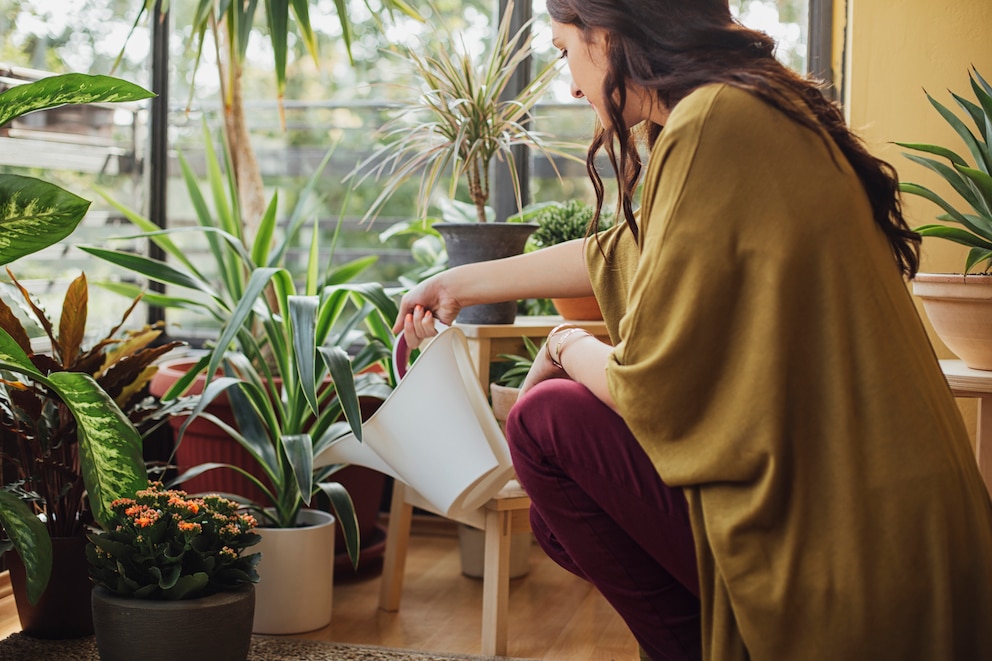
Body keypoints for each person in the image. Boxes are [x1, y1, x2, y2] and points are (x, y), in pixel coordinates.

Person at [393, 1, 992, 659]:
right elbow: (626, 249)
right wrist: (455, 284)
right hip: (904, 526)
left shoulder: (714, 122)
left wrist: (563, 345)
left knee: (545, 421)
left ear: (609, 28)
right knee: (555, 514)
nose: (569, 85)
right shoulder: (745, 108)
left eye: (565, 52)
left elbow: (651, 391)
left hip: (851, 539)